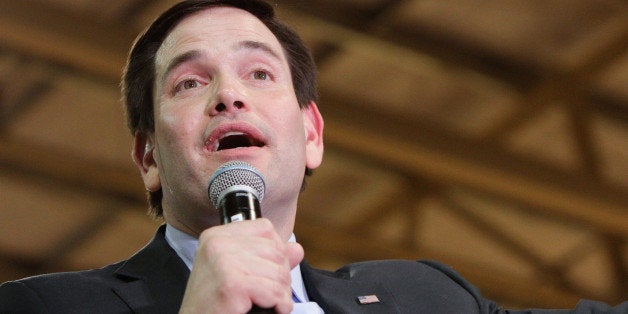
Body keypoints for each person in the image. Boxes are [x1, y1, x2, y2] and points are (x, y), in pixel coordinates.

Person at [0, 1, 626, 313]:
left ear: (313, 134)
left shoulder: (424, 297)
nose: (230, 95)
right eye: (189, 83)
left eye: (260, 73)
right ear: (148, 159)